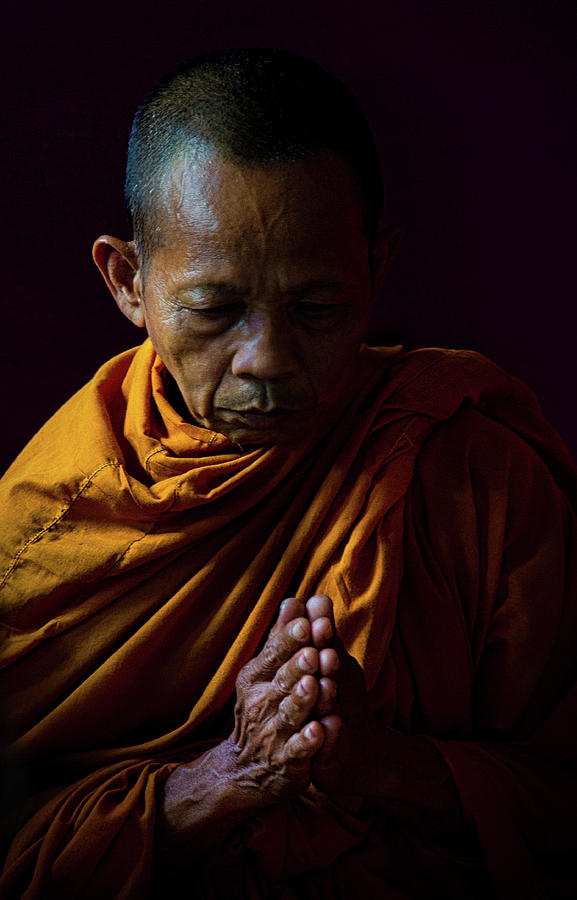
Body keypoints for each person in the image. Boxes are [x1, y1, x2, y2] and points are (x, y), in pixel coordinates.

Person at [1, 48, 576, 900]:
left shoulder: (475, 474)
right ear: (128, 283)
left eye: (316, 308)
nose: (266, 361)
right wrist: (222, 781)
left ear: (376, 271)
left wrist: (381, 763)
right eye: (213, 309)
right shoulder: (49, 522)